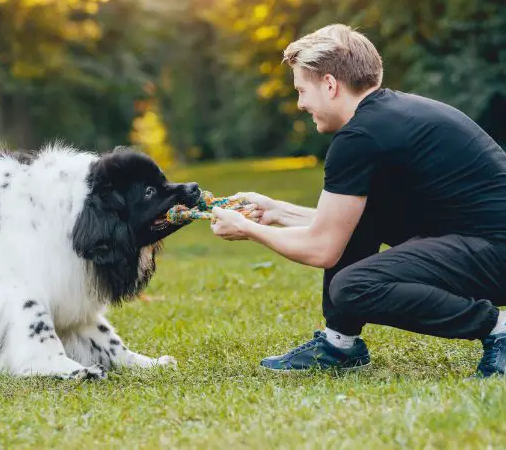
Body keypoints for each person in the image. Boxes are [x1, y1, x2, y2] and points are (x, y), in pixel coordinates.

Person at [210, 23, 506, 378]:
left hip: (494, 252)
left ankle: (497, 329)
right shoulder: (390, 116)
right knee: (361, 221)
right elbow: (342, 222)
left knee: (353, 287)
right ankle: (340, 345)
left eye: (302, 91)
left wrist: (246, 228)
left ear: (330, 84)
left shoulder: (360, 136)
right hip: (482, 245)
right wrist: (275, 211)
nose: (301, 103)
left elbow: (322, 248)